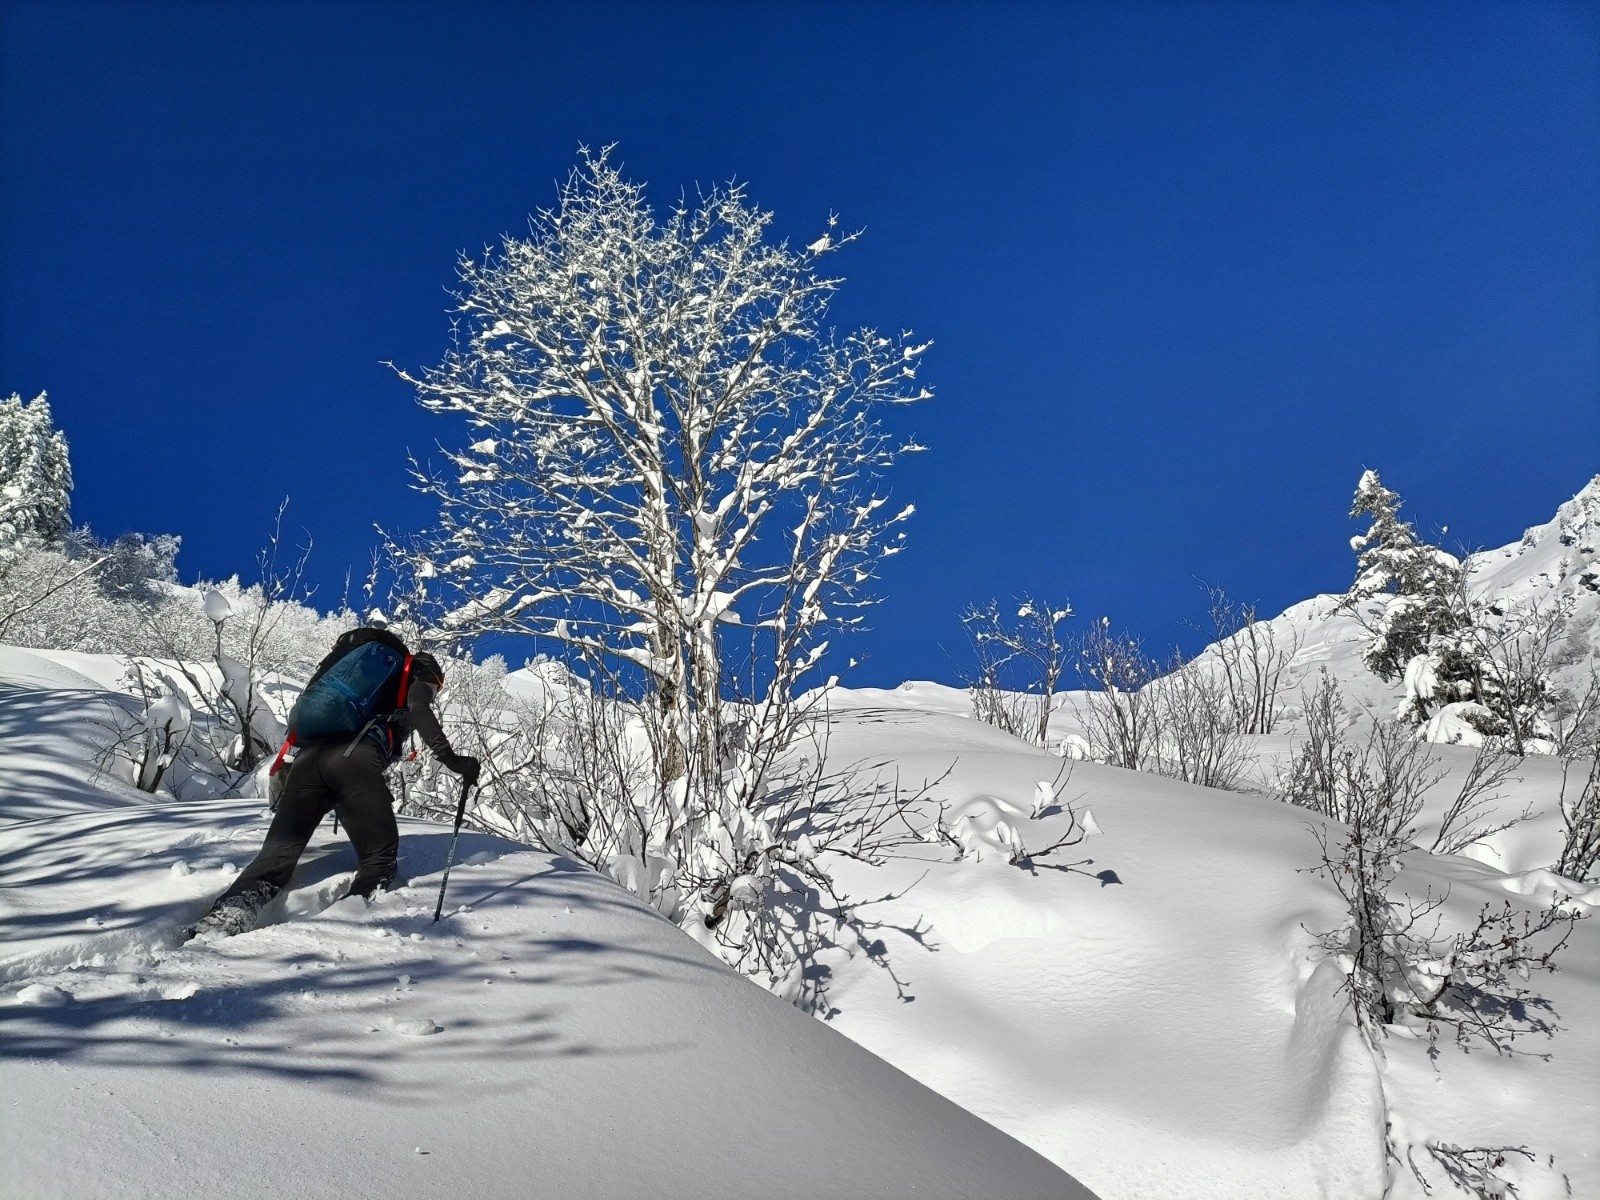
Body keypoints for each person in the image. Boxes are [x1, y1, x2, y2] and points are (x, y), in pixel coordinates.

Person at [184, 627, 480, 942]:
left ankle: (219, 923)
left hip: (307, 763)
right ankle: (338, 938)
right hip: (355, 758)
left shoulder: (354, 675)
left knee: (274, 860)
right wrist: (453, 759)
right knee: (378, 860)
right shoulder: (420, 671)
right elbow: (419, 708)